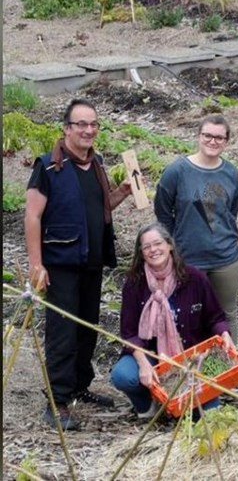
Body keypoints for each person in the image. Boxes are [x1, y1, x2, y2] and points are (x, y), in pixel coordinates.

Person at [24, 98, 132, 430]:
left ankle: (79, 387)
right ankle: (57, 402)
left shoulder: (96, 163)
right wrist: (36, 264)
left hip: (92, 262)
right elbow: (32, 215)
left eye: (93, 124)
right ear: (67, 129)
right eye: (81, 124)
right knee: (62, 331)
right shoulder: (49, 167)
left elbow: (102, 207)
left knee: (86, 327)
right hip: (61, 264)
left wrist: (124, 192)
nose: (88, 130)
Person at [110, 222, 233, 418]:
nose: (153, 250)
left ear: (169, 245)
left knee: (207, 417)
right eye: (147, 247)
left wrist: (225, 334)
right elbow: (129, 333)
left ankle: (180, 405)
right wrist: (143, 364)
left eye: (158, 243)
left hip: (191, 357)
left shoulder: (195, 278)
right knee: (123, 376)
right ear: (141, 253)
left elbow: (215, 317)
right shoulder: (134, 284)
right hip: (152, 355)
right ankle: (149, 407)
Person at [155, 114, 238, 343]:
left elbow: (231, 212)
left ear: (226, 141)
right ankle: (191, 371)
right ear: (198, 136)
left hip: (226, 259)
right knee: (189, 316)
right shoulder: (177, 171)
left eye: (219, 138)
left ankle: (228, 370)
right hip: (189, 259)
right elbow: (163, 212)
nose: (213, 141)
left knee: (226, 315)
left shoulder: (231, 173)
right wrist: (176, 243)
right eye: (208, 136)